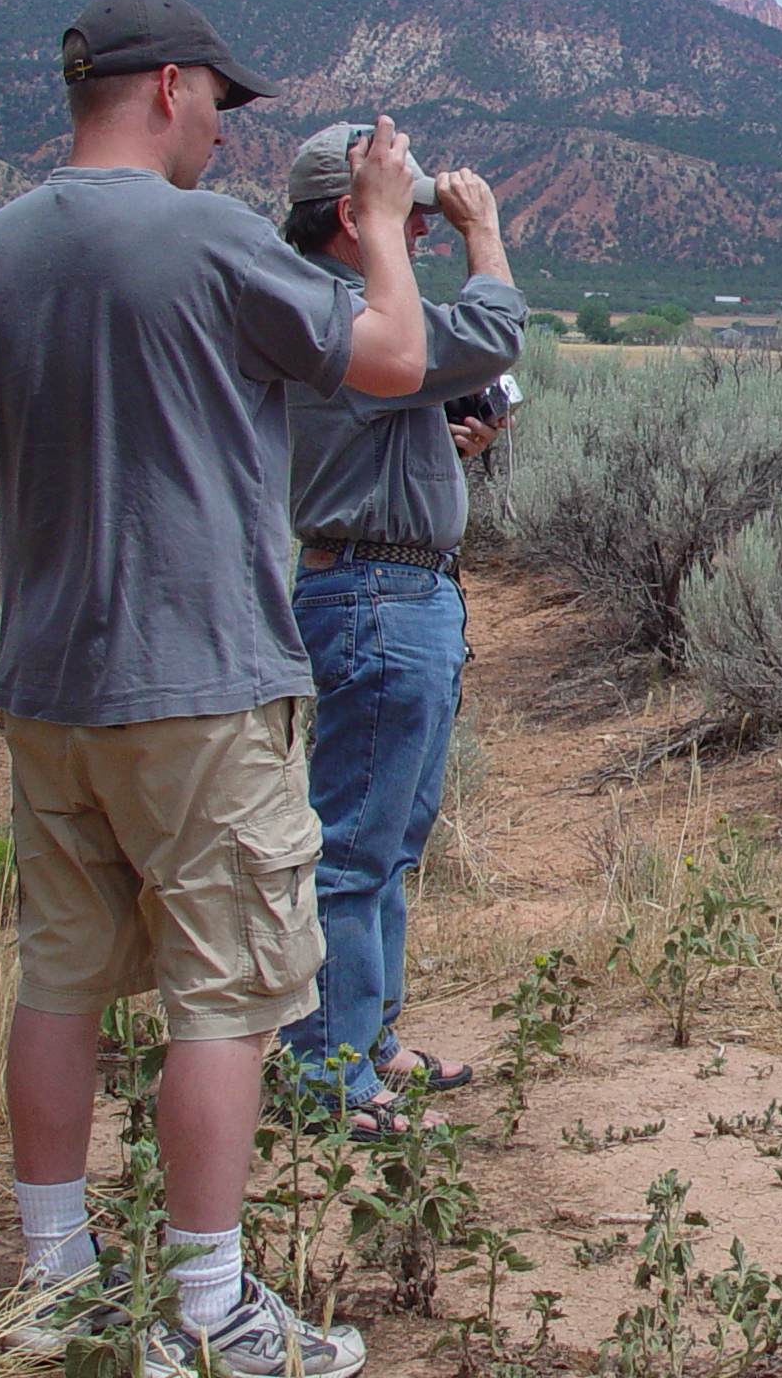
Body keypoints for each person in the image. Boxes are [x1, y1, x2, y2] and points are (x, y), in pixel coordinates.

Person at [0, 0, 431, 1378]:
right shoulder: (206, 238)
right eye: (221, 100)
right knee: (227, 992)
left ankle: (56, 1285)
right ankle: (212, 1314)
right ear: (164, 89)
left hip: (45, 681)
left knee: (62, 982)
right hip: (198, 677)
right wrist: (383, 224)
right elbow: (394, 356)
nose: (226, 129)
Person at [274, 124, 526, 1130]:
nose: (424, 231)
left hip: (391, 590)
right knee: (352, 848)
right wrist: (486, 231)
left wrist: (441, 449)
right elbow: (493, 332)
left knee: (385, 838)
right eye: (408, 214)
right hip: (379, 599)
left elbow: (392, 416)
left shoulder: (330, 314)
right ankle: (330, 1077)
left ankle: (364, 1045)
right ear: (354, 216)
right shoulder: (342, 314)